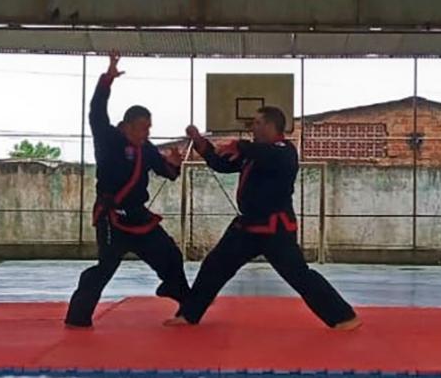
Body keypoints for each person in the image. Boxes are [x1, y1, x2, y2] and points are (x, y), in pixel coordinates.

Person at [164, 106, 360, 330]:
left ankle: (344, 317)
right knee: (213, 267)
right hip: (246, 227)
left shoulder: (283, 151)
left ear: (269, 125)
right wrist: (200, 142)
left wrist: (241, 146)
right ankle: (188, 315)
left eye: (257, 123)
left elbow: (265, 154)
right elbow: (223, 164)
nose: (252, 128)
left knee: (299, 275)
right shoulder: (253, 153)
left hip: (275, 229)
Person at [65, 53, 189, 327]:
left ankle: (181, 299)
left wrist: (175, 164)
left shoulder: (146, 148)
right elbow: (96, 111)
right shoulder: (108, 138)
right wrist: (107, 79)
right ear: (128, 125)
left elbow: (165, 173)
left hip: (138, 216)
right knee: (105, 268)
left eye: (149, 128)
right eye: (143, 127)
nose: (147, 132)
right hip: (112, 217)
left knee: (170, 254)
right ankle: (77, 317)